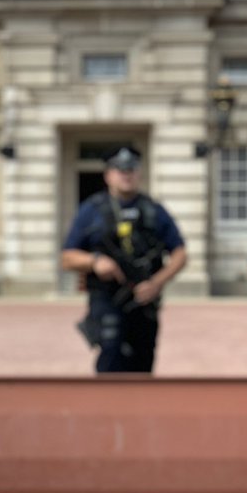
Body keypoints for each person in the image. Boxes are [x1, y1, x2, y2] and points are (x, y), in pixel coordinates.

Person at [60, 146, 188, 373]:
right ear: (108, 175)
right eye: (120, 170)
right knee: (111, 355)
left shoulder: (153, 210)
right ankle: (106, 407)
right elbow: (67, 257)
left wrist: (157, 283)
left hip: (143, 301)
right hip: (107, 298)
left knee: (142, 362)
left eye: (131, 170)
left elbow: (180, 253)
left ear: (139, 173)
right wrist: (95, 261)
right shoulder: (92, 210)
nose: (126, 175)